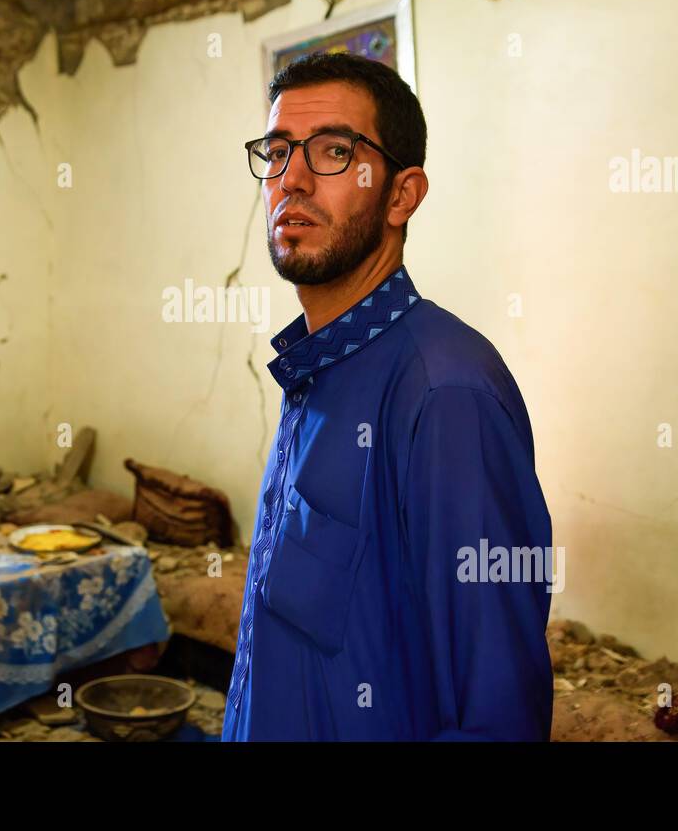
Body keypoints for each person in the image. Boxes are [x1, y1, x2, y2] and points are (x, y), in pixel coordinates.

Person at [221, 51, 555, 741]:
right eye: (278, 151)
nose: (294, 179)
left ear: (402, 194)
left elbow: (497, 722)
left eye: (335, 152)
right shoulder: (317, 369)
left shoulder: (445, 393)